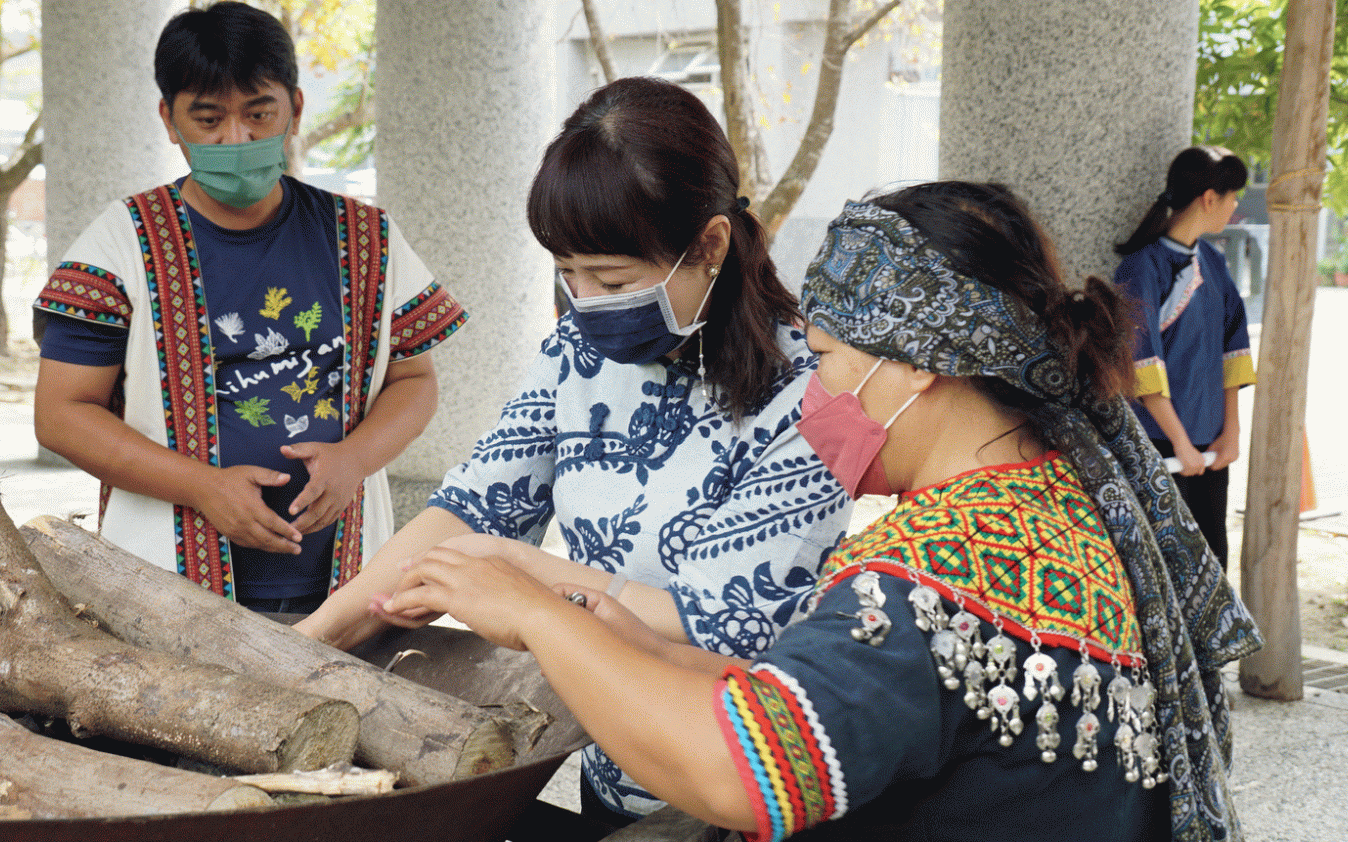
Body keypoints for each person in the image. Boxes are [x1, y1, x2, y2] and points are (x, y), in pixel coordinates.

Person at [381, 182, 1263, 842]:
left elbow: (746, 775)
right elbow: (808, 698)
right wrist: (622, 634)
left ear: (918, 363)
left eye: (833, 358)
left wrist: (540, 618)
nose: (815, 396)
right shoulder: (1060, 498)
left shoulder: (944, 567)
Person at [294, 76, 851, 821]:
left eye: (613, 278)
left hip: (735, 773)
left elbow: (731, 625)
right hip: (607, 751)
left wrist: (527, 579)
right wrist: (309, 646)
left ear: (710, 243)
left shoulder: (819, 397)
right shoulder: (574, 355)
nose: (585, 303)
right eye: (566, 274)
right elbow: (469, 512)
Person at [32, 2, 467, 614]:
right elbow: (61, 414)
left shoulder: (366, 236)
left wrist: (353, 461)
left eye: (259, 114)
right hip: (166, 586)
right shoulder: (118, 245)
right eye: (207, 119)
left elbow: (415, 381)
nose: (235, 139)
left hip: (347, 580)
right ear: (169, 119)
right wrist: (203, 488)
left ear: (295, 108)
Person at [1113, 146, 1256, 569]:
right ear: (1210, 198)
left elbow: (1234, 347)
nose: (1235, 207)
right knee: (1170, 570)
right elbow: (1141, 365)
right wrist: (1178, 442)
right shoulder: (1141, 268)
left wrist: (1230, 432)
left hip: (1209, 449)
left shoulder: (1213, 261)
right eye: (1233, 198)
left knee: (1212, 564)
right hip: (1162, 449)